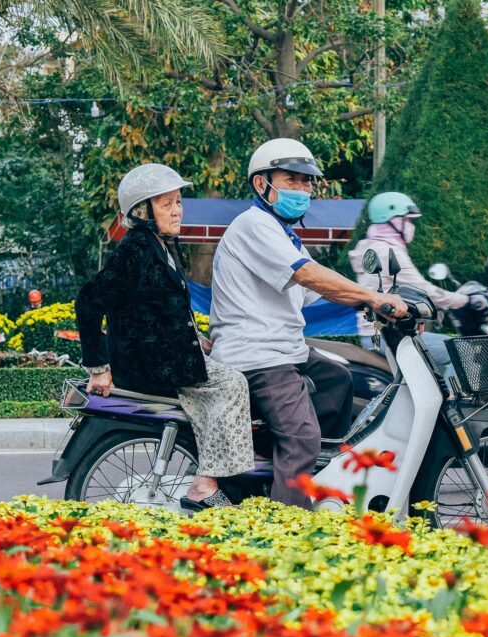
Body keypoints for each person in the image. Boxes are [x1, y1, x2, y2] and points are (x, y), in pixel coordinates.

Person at [209, 138, 407, 510]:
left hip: (284, 351)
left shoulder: (284, 233)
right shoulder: (254, 225)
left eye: (306, 181)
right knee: (301, 436)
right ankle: (288, 528)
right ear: (261, 184)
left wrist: (374, 302)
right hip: (257, 356)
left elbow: (323, 291)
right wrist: (370, 297)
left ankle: (296, 473)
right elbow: (311, 276)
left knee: (339, 381)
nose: (302, 189)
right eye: (292, 180)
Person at [74, 163, 254, 510]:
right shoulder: (135, 249)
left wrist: (197, 337)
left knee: (226, 373)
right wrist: (98, 367)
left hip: (167, 354)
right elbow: (88, 301)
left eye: (178, 202)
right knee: (232, 383)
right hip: (149, 364)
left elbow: (163, 304)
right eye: (166, 203)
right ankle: (206, 482)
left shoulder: (164, 244)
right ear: (143, 212)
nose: (177, 210)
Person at [348, 191, 480, 351]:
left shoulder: (372, 247)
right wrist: (464, 300)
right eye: (408, 220)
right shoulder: (387, 251)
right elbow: (423, 290)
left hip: (375, 333)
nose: (411, 225)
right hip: (389, 335)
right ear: (393, 221)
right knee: (464, 351)